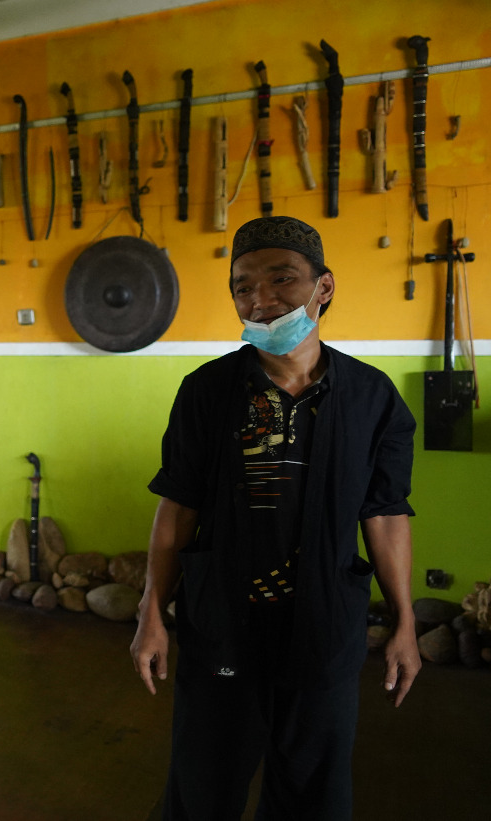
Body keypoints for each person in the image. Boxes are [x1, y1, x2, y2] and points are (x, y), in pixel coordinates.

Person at [129, 215, 419, 820]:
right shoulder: (207, 392)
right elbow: (177, 508)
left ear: (324, 287)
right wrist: (151, 614)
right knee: (203, 781)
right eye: (242, 287)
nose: (260, 300)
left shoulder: (372, 397)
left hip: (324, 626)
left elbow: (385, 514)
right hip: (223, 627)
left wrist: (404, 622)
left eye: (282, 279)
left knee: (313, 790)